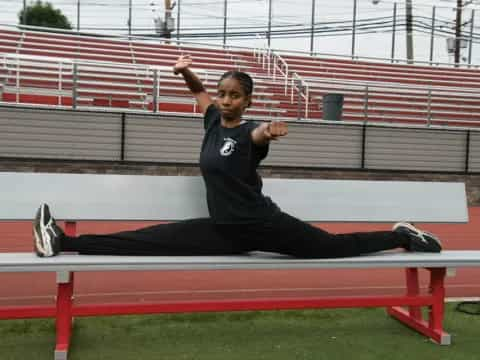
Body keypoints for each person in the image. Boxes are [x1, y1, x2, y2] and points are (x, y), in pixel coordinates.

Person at [33, 55, 442, 258]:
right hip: (223, 231)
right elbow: (199, 94)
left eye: (235, 96)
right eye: (223, 93)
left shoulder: (249, 131)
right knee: (148, 239)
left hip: (263, 226)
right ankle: (62, 240)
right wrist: (184, 71)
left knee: (333, 247)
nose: (226, 101)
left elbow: (260, 134)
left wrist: (271, 131)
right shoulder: (213, 121)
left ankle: (402, 235)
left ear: (247, 101)